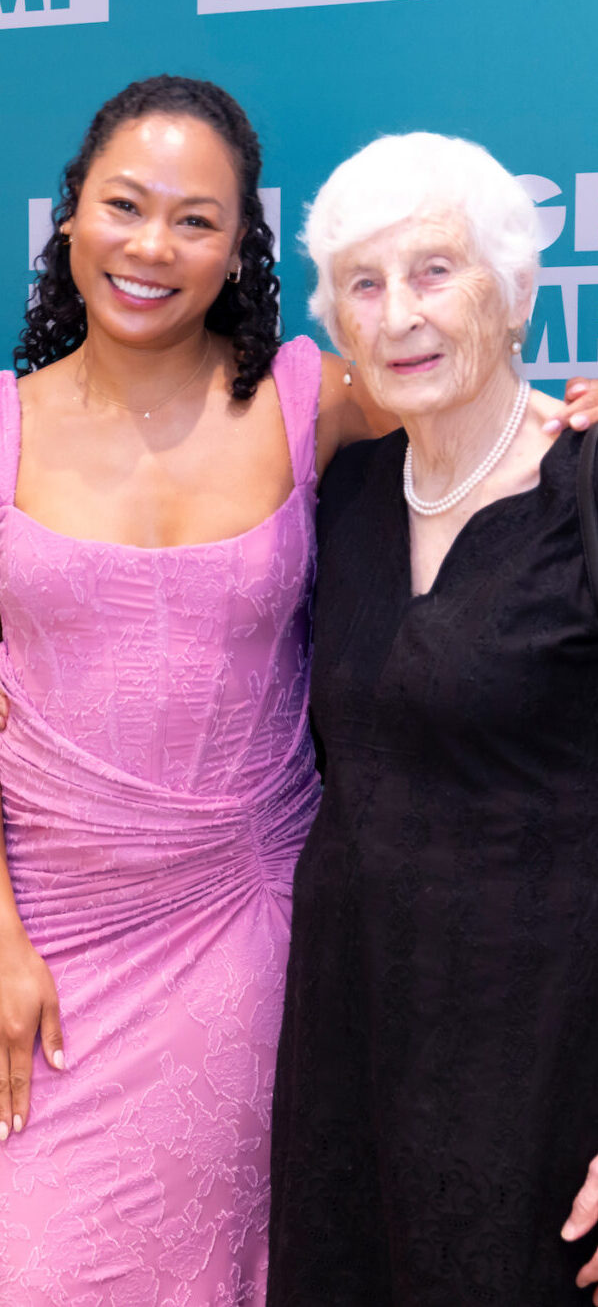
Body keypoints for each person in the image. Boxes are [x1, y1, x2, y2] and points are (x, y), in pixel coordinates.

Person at [0, 77, 598, 1305]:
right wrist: (1, 944)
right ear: (69, 217)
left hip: (264, 944)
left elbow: (480, 408)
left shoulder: (313, 400)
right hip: (53, 948)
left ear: (239, 250)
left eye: (197, 220)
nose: (151, 246)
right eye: (124, 206)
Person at [267, 132, 598, 1306]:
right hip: (352, 1056)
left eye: (434, 272)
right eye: (364, 283)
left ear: (514, 294)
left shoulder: (584, 485)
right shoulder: (344, 497)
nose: (398, 313)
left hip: (547, 1076)